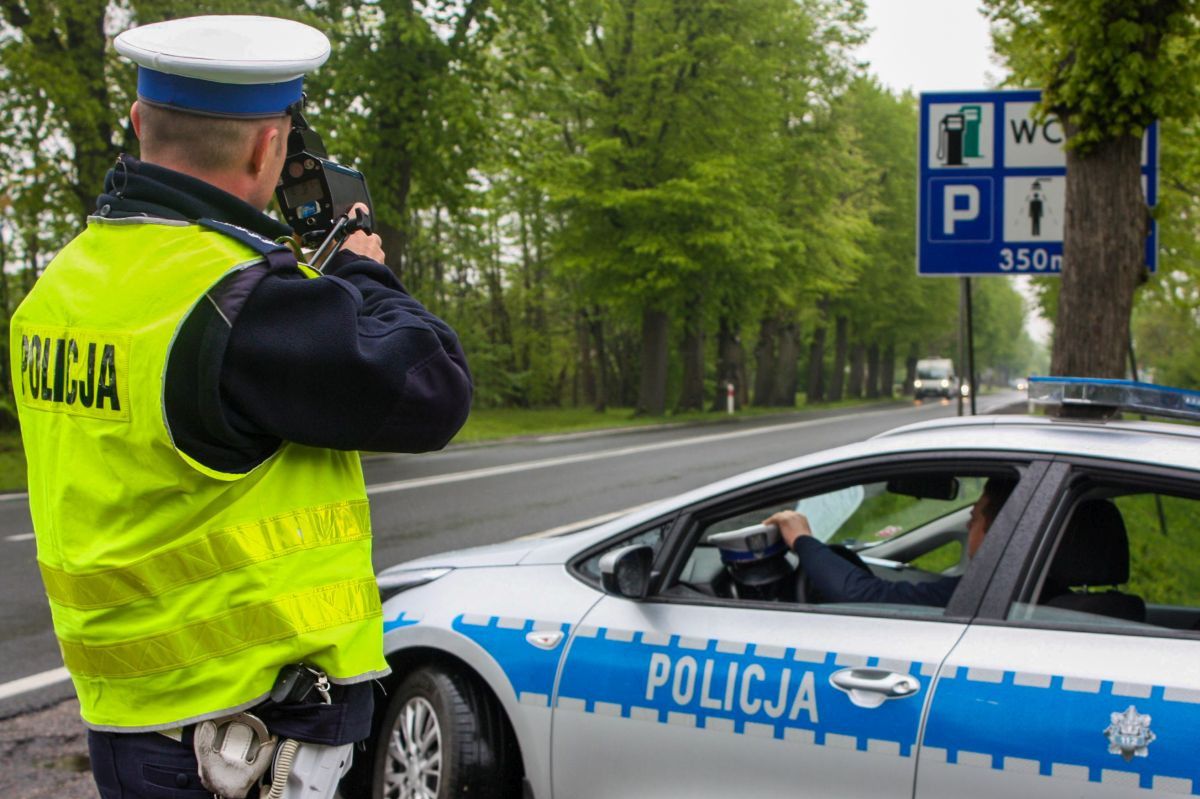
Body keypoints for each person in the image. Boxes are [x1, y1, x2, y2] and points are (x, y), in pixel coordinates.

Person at [9, 15, 472, 798]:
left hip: (131, 719)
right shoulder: (239, 302)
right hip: (242, 744)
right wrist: (358, 271)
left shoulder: (61, 287)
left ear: (137, 123)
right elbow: (433, 386)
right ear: (269, 148)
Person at [765, 477, 1017, 608]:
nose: (966, 525)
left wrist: (802, 539)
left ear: (997, 531)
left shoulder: (986, 593)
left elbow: (863, 597)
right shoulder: (1022, 586)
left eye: (972, 519)